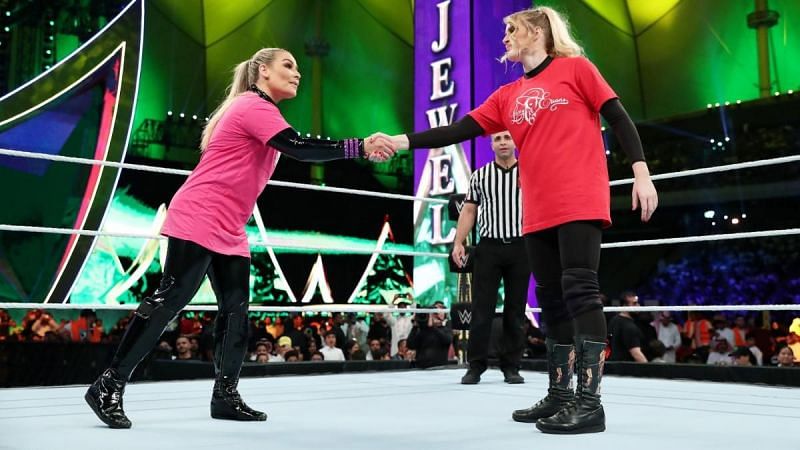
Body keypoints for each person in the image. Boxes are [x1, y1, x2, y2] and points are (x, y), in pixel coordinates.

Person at [374, 6, 657, 434]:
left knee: (580, 290)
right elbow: (457, 130)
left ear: (538, 31)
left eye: (512, 29)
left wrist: (640, 171)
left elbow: (617, 116)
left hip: (579, 197)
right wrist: (400, 141)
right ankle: (561, 394)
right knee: (550, 299)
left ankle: (590, 403)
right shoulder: (507, 95)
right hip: (536, 207)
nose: (504, 36)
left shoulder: (576, 69)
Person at [84, 47, 396, 429]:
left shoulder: (261, 110)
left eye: (297, 68)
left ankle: (225, 395)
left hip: (230, 226)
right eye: (288, 66)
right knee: (170, 299)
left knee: (236, 311)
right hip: (200, 214)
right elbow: (298, 148)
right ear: (262, 71)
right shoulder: (253, 106)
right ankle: (108, 385)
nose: (297, 73)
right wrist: (359, 146)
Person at [453, 131, 528, 385]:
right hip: (488, 247)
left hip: (521, 246)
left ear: (515, 141)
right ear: (491, 144)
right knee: (481, 308)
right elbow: (469, 210)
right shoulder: (480, 175)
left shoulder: (529, 171)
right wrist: (458, 241)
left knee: (516, 309)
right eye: (498, 139)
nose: (503, 142)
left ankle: (512, 366)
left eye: (507, 137)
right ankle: (475, 366)